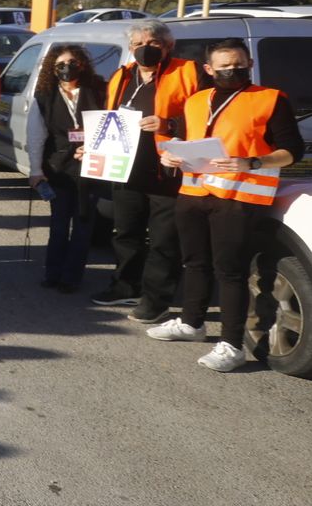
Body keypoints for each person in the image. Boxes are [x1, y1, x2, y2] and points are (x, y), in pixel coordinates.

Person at [149, 38, 303, 372]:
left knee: (230, 271)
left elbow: (293, 150)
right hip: (194, 193)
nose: (233, 70)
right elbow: (192, 140)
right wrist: (173, 154)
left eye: (239, 64)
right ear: (208, 69)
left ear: (249, 63)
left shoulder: (270, 99)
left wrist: (252, 162)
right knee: (194, 262)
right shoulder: (196, 100)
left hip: (240, 198)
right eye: (224, 66)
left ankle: (232, 345)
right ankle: (192, 323)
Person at [95, 20, 203, 322]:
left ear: (168, 46)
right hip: (125, 171)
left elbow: (208, 118)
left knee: (163, 241)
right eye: (138, 44)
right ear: (130, 49)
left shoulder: (188, 72)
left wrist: (170, 125)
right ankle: (124, 285)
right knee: (126, 234)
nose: (145, 49)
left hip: (167, 173)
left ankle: (156, 300)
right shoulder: (121, 75)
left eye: (154, 43)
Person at [25, 44, 107, 293]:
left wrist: (93, 148)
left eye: (72, 62)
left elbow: (112, 125)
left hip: (91, 167)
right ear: (52, 68)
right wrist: (35, 170)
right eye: (60, 64)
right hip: (58, 168)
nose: (67, 68)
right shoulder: (44, 95)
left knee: (83, 226)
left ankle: (72, 278)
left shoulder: (98, 90)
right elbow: (36, 136)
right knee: (59, 225)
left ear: (82, 64)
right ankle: (53, 273)